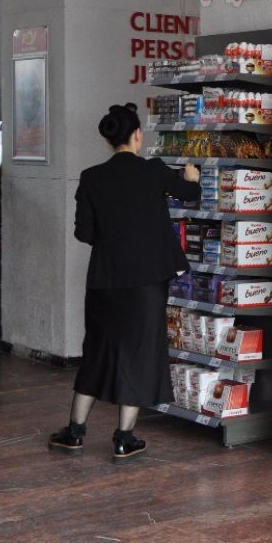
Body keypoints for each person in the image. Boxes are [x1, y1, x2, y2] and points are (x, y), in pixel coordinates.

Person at [48, 103, 204, 462]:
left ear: (109, 139)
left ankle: (74, 432)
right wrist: (192, 177)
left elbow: (84, 233)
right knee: (139, 354)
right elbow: (189, 195)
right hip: (146, 282)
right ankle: (123, 438)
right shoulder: (153, 171)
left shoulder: (91, 177)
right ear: (137, 135)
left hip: (104, 280)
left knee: (97, 352)